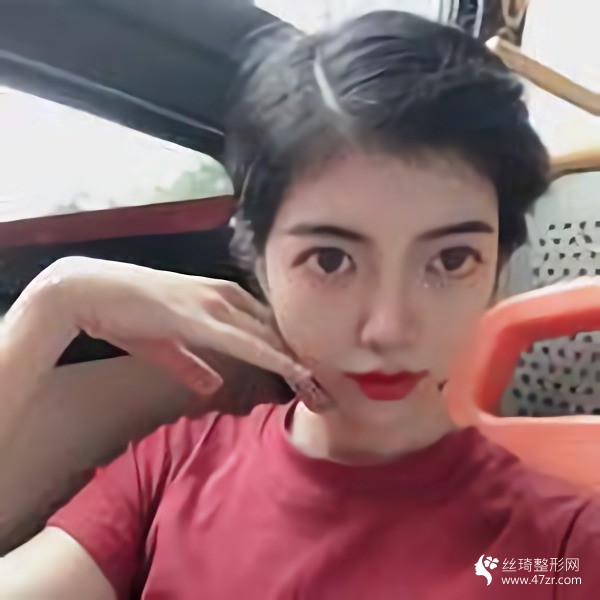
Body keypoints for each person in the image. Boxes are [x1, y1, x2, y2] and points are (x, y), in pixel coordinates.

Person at [0, 10, 598, 599]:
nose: (388, 328)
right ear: (261, 262)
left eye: (451, 260)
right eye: (331, 260)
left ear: (496, 268)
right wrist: (52, 308)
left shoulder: (553, 552)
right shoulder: (172, 472)